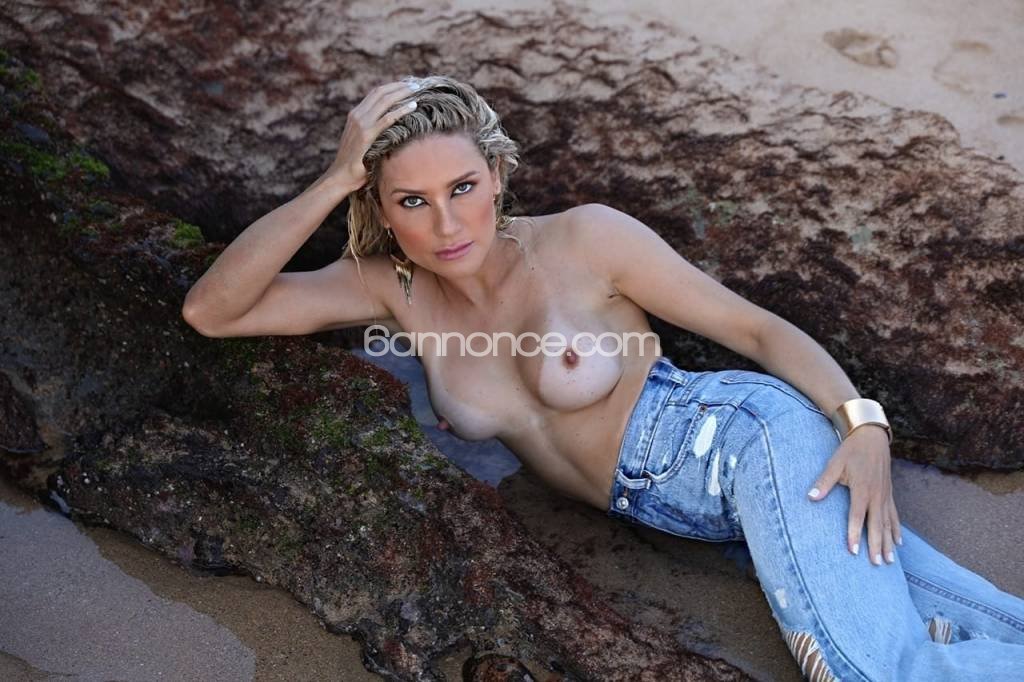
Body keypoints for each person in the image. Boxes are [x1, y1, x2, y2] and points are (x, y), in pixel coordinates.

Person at [181, 75, 1024, 680]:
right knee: (994, 626)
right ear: (380, 206)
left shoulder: (585, 240)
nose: (446, 223)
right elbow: (212, 311)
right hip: (717, 516)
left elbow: (753, 328)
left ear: (497, 176)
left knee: (866, 668)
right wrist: (335, 178)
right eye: (412, 201)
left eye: (463, 187)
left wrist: (863, 424)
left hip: (749, 443)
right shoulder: (387, 289)